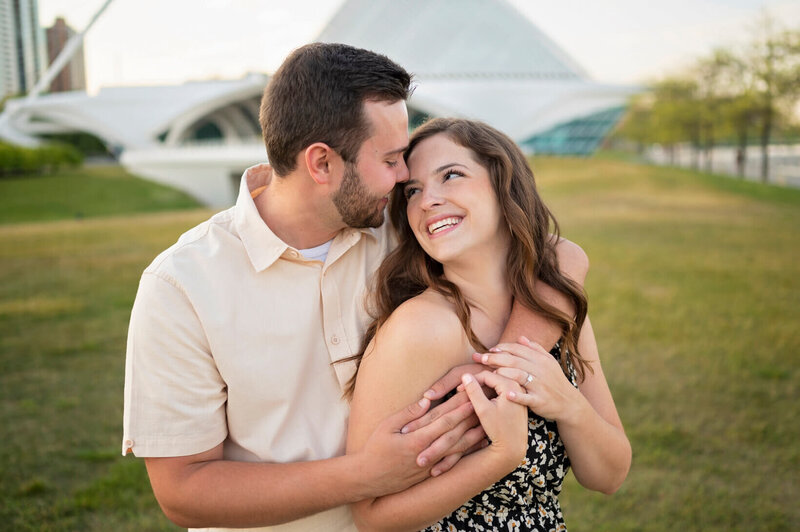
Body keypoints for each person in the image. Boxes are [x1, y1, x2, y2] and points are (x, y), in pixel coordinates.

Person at [122, 44, 576, 531]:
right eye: (391, 159)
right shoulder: (180, 286)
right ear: (321, 164)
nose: (406, 177)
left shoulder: (404, 229)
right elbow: (184, 492)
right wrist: (364, 476)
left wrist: (500, 375)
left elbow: (558, 256)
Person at [346, 118, 632, 531]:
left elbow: (609, 475)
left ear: (503, 184)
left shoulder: (553, 305)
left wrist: (566, 403)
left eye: (452, 175)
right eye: (413, 190)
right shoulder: (421, 328)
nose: (428, 200)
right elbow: (372, 516)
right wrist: (500, 456)